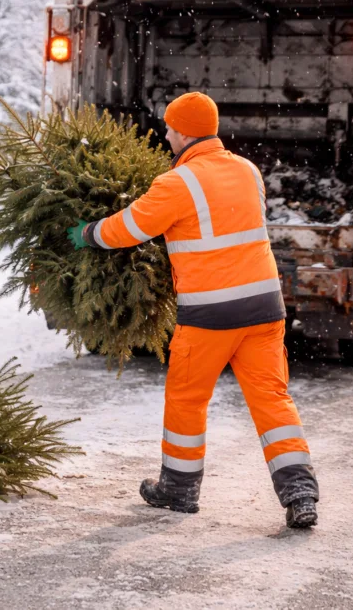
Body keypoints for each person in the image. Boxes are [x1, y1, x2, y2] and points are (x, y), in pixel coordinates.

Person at [67, 92, 320, 528]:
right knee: (272, 399)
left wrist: (86, 234)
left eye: (168, 128)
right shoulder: (247, 170)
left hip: (210, 314)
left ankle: (179, 489)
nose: (165, 135)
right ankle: (300, 492)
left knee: (188, 398)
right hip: (264, 309)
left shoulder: (177, 183)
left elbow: (131, 227)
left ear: (183, 131)